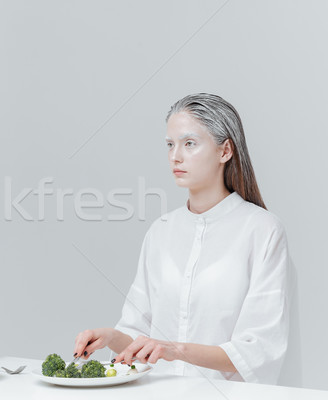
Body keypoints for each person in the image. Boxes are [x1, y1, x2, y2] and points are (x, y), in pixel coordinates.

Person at [73, 93, 290, 384]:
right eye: (170, 145)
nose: (175, 156)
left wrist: (174, 349)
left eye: (189, 144)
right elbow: (140, 339)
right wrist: (111, 337)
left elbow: (257, 350)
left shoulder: (263, 230)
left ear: (225, 151)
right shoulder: (161, 231)